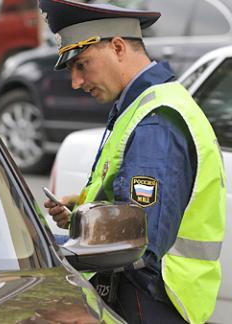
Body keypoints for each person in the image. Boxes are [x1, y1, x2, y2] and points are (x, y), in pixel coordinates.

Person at [39, 1, 226, 323]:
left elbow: (138, 245)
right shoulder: (145, 104)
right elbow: (131, 211)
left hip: (147, 300)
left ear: (118, 46)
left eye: (82, 64)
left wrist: (48, 251)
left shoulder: (155, 122)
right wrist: (82, 216)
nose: (76, 82)